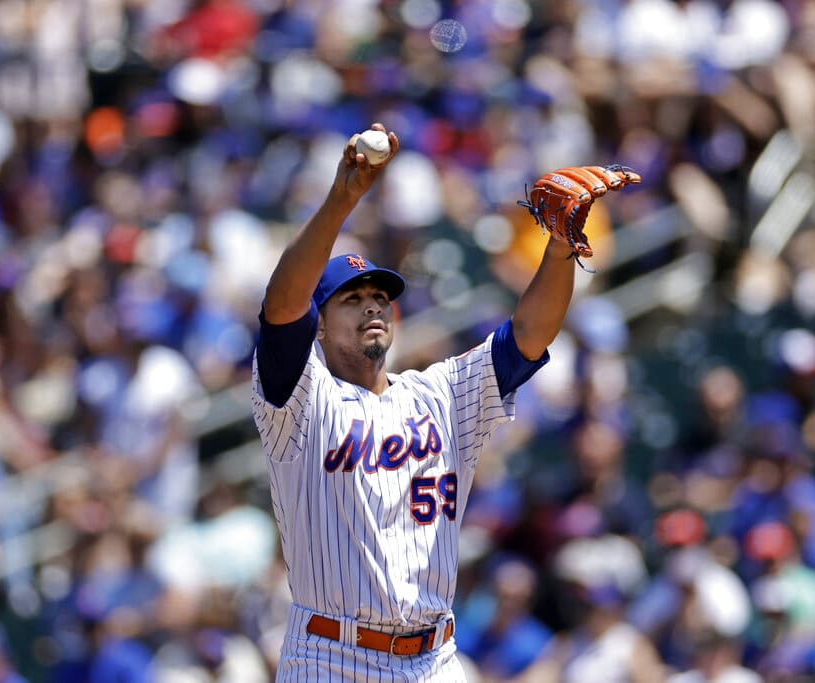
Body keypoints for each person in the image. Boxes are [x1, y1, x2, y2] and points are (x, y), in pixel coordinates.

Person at [250, 123, 594, 681]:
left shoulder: (441, 393)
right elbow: (282, 307)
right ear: (319, 326)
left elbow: (529, 335)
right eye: (352, 300)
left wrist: (558, 249)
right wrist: (343, 199)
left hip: (436, 657)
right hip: (331, 655)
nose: (372, 307)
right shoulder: (299, 399)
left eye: (380, 297)